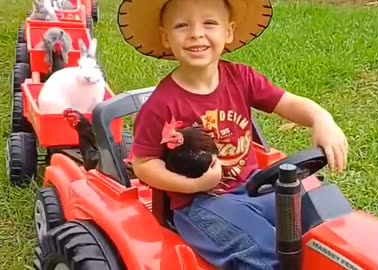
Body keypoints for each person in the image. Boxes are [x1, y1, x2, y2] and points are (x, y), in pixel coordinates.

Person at [117, 0, 348, 269]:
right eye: (182, 25)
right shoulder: (161, 105)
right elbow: (143, 164)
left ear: (229, 31)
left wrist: (321, 118)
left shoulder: (241, 78)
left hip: (254, 187)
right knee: (260, 251)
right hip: (201, 204)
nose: (196, 33)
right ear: (165, 37)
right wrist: (195, 185)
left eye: (210, 23)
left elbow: (288, 103)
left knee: (323, 223)